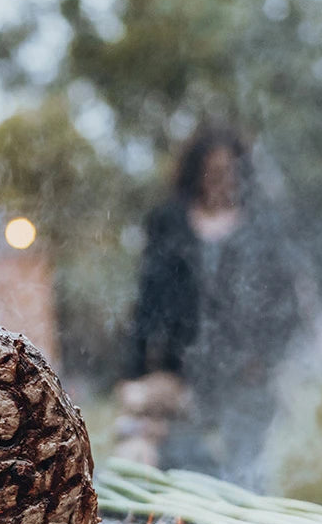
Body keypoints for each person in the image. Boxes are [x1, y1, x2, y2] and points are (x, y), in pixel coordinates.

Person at [117, 123, 301, 489]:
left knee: (246, 479)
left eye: (231, 172)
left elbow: (286, 304)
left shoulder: (265, 226)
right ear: (195, 173)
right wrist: (134, 374)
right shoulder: (168, 221)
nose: (223, 181)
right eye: (213, 173)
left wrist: (266, 359)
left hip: (246, 378)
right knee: (185, 476)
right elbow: (147, 303)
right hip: (180, 379)